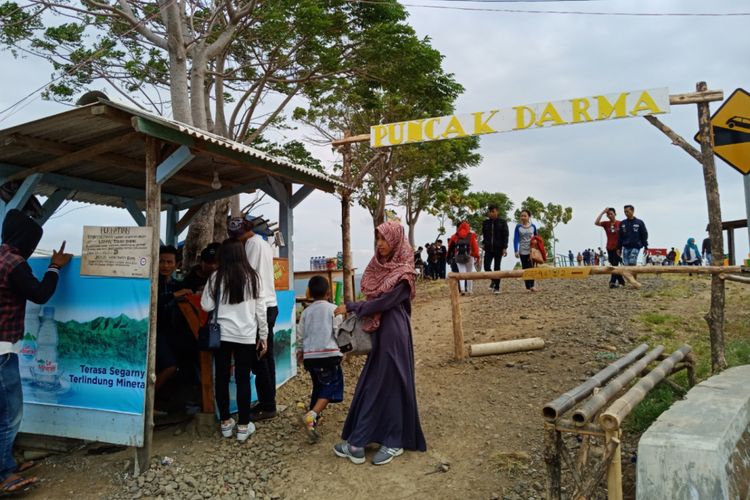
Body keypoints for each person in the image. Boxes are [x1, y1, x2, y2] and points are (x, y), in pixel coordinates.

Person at [331, 221, 425, 466]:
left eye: (384, 239)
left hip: (393, 333)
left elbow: (382, 303)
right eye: (378, 239)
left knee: (390, 383)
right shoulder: (381, 267)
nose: (380, 245)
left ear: (395, 241)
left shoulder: (404, 273)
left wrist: (351, 306)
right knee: (374, 383)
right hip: (381, 332)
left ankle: (393, 441)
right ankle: (361, 439)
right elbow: (374, 298)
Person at [0, 209, 72, 494]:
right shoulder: (13, 263)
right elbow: (40, 294)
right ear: (26, 239)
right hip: (3, 350)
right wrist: (55, 266)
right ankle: (5, 473)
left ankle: (6, 461)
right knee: (10, 414)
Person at [201, 238, 268, 442]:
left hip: (222, 335)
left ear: (223, 255)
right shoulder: (254, 277)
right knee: (243, 378)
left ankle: (226, 424)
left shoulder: (216, 277)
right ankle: (243, 426)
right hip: (246, 336)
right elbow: (260, 310)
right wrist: (263, 336)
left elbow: (205, 305)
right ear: (242, 254)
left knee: (221, 378)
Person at [228, 215, 278, 421]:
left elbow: (248, 279)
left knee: (260, 359)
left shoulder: (251, 247)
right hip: (269, 304)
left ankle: (267, 406)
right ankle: (268, 400)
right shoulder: (262, 243)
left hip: (260, 306)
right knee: (267, 358)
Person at [296, 276, 344, 443]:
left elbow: (300, 334)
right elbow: (338, 332)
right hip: (329, 355)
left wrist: (300, 352)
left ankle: (312, 421)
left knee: (318, 385)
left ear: (310, 293)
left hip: (310, 357)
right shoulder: (334, 309)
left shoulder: (306, 312)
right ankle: (312, 415)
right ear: (328, 292)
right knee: (331, 386)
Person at [482, 204, 509, 294]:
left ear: (497, 212)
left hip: (499, 248)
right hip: (488, 249)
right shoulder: (485, 223)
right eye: (490, 212)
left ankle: (497, 288)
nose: (491, 213)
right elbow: (485, 236)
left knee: (497, 267)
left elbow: (506, 235)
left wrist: (505, 247)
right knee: (486, 267)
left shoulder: (502, 222)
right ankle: (493, 280)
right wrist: (483, 244)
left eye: (493, 211)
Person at [595, 207, 625, 289]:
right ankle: (622, 281)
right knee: (613, 265)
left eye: (611, 214)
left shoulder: (620, 223)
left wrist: (621, 247)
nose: (610, 215)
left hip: (618, 248)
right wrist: (603, 212)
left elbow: (624, 235)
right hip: (609, 247)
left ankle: (612, 282)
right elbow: (596, 222)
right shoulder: (606, 224)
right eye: (608, 214)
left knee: (614, 265)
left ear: (615, 214)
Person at [447, 222, 480, 295]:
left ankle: (462, 289)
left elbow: (450, 247)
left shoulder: (455, 236)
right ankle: (469, 290)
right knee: (469, 273)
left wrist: (448, 257)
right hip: (469, 256)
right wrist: (477, 256)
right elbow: (475, 247)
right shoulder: (471, 235)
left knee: (462, 273)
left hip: (458, 256)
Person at [513, 209, 539, 292]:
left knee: (531, 268)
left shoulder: (533, 226)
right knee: (525, 268)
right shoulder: (518, 227)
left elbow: (537, 237)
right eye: (521, 216)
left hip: (532, 250)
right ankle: (527, 287)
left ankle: (532, 285)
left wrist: (537, 246)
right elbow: (516, 239)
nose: (523, 217)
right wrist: (516, 250)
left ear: (529, 217)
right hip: (522, 250)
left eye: (525, 216)